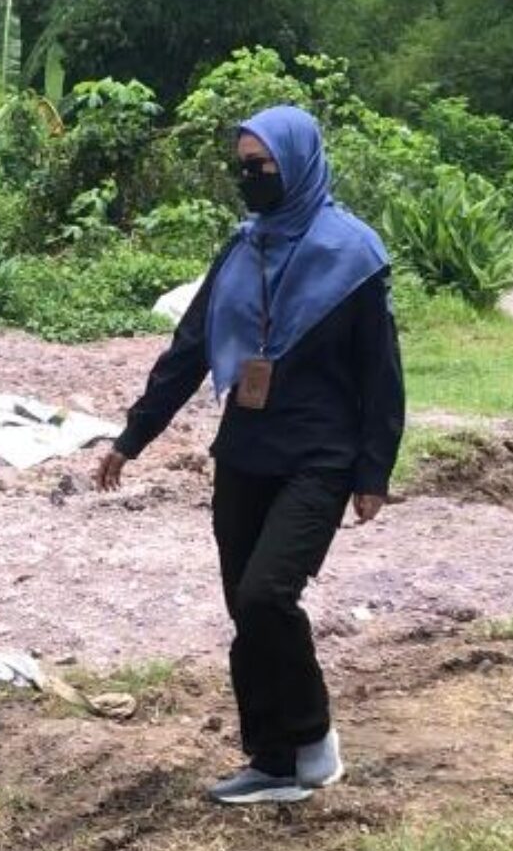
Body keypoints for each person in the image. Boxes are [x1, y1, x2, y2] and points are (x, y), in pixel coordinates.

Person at [94, 105, 404, 806]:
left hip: (319, 456)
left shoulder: (353, 257)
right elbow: (190, 351)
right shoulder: (242, 250)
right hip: (244, 451)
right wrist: (132, 438)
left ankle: (312, 741)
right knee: (245, 606)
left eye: (260, 167)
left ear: (294, 165)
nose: (248, 179)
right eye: (240, 167)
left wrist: (373, 472)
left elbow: (381, 374)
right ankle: (270, 758)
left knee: (269, 595)